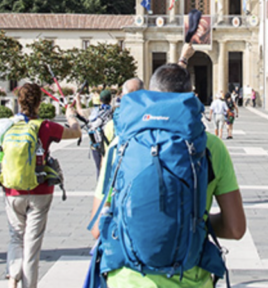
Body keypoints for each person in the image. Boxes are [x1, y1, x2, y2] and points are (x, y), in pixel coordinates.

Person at [90, 42, 247, 288]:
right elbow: (236, 229)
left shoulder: (120, 144)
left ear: (150, 94)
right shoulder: (211, 146)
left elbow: (98, 228)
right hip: (190, 277)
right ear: (191, 95)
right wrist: (193, 221)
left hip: (126, 279)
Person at [0, 83, 81, 288]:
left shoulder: (8, 125)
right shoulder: (45, 126)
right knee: (32, 243)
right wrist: (71, 115)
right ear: (39, 102)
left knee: (16, 236)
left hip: (12, 190)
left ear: (18, 101)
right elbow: (75, 133)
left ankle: (12, 278)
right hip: (40, 190)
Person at [86, 89, 114, 174]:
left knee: (99, 168)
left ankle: (100, 184)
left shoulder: (97, 111)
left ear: (100, 100)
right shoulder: (113, 111)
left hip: (97, 143)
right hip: (109, 142)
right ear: (110, 99)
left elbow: (92, 125)